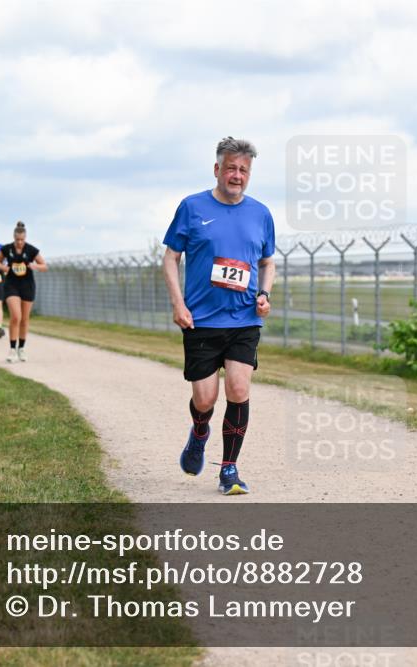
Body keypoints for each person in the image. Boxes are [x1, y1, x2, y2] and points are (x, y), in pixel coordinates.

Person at [162, 137, 275, 496]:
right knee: (205, 400)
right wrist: (178, 304)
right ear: (217, 169)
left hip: (243, 320)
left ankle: (229, 468)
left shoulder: (261, 213)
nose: (236, 175)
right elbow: (170, 258)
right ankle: (199, 433)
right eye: (231, 168)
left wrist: (264, 294)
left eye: (243, 170)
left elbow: (267, 261)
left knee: (239, 389)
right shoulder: (192, 207)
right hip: (201, 321)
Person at [0, 221, 47, 363]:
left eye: (22, 240)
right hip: (12, 285)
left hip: (27, 286)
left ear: (25, 238)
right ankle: (12, 349)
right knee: (16, 316)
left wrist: (34, 266)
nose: (19, 242)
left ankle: (21, 348)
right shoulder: (7, 249)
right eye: (17, 240)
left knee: (24, 319)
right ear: (14, 237)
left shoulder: (31, 250)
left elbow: (44, 266)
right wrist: (5, 268)